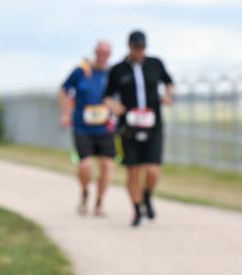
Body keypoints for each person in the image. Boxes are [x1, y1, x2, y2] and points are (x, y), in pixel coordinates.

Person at [103, 30, 174, 227]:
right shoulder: (118, 70)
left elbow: (169, 83)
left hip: (153, 124)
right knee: (133, 170)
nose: (139, 52)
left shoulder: (155, 64)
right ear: (129, 47)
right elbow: (107, 96)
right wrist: (113, 106)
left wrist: (168, 95)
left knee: (152, 170)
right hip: (129, 126)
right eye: (136, 48)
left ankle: (147, 195)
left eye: (142, 48)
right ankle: (136, 209)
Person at [60, 41, 115, 216]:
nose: (103, 55)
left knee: (107, 164)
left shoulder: (111, 74)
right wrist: (66, 114)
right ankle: (85, 192)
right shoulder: (82, 71)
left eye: (106, 53)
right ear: (95, 52)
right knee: (85, 165)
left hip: (105, 127)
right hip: (82, 126)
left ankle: (99, 203)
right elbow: (64, 90)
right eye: (100, 52)